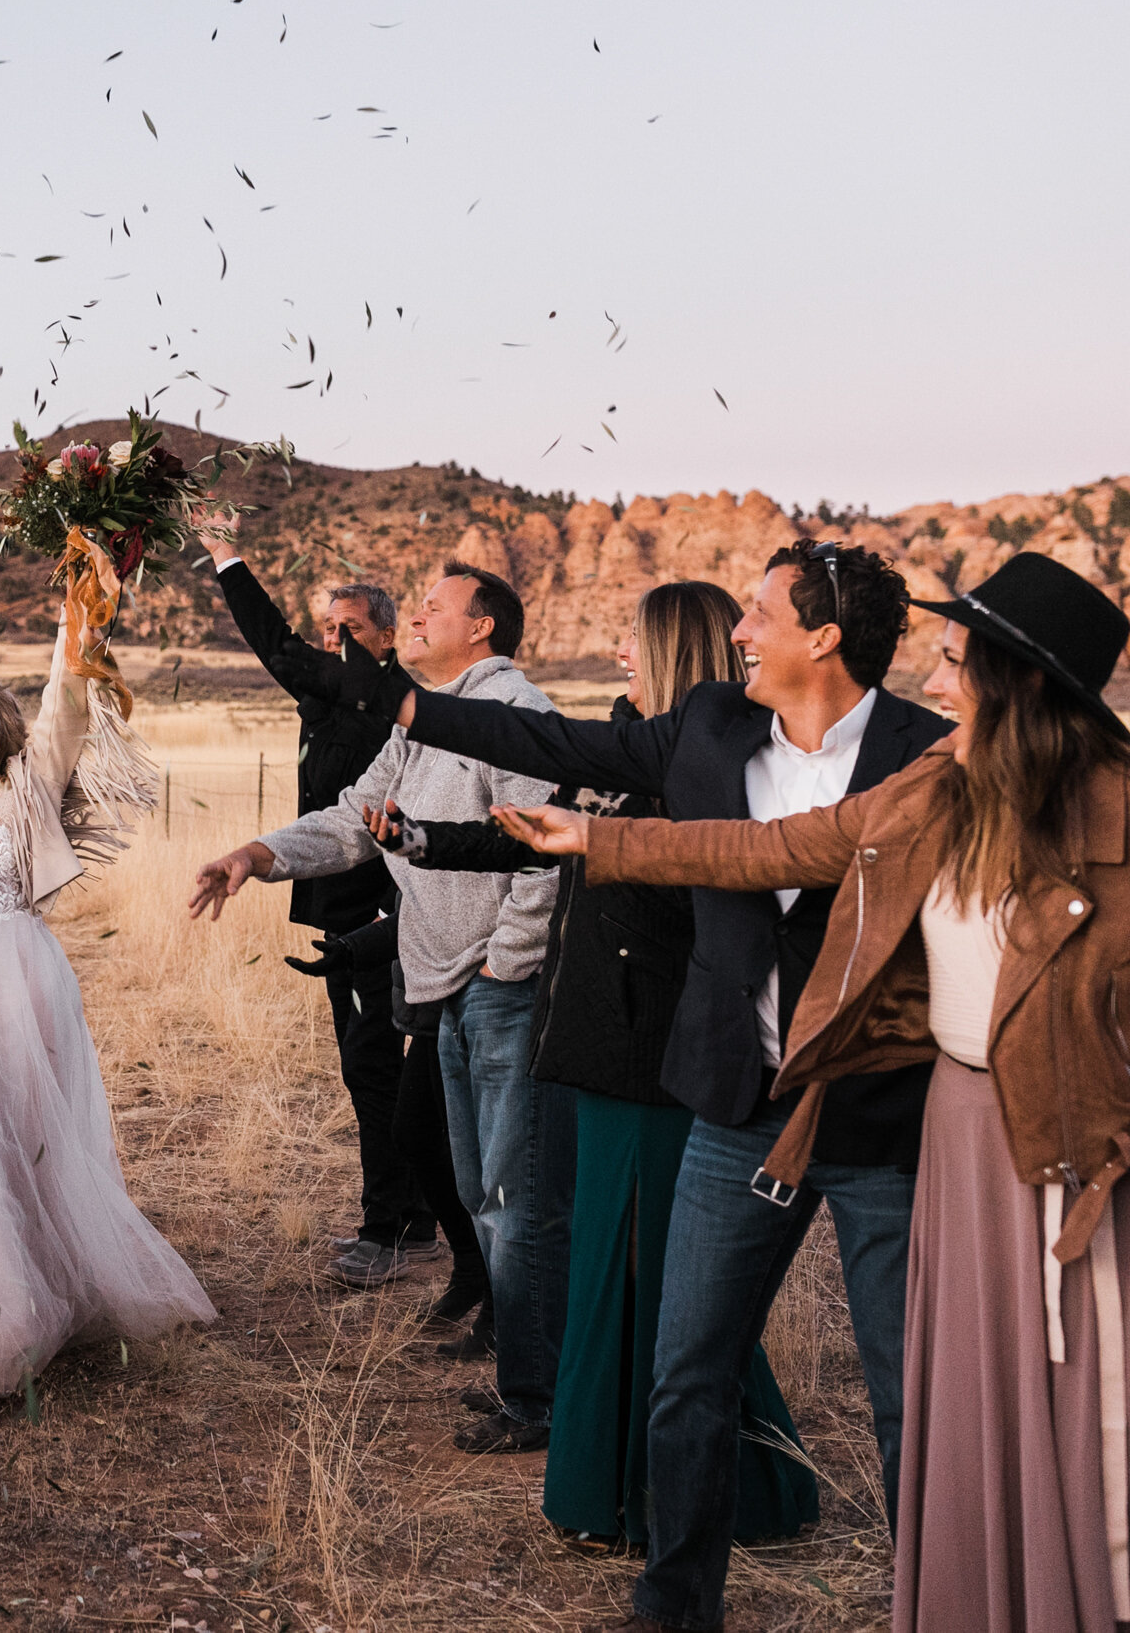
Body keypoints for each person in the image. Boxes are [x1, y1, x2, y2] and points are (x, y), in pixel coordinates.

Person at [497, 552, 1130, 1631]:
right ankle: (696, 1605)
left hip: (995, 1139)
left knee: (951, 1398)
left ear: (1018, 683)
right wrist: (601, 838)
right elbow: (776, 846)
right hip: (854, 1120)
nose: (937, 689)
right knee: (707, 1370)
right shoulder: (940, 786)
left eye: (955, 666)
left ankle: (980, 1595)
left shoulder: (1117, 817)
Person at [389, 541, 948, 1630]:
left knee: (902, 1394)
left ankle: (929, 1598)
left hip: (881, 1117)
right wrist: (411, 706)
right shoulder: (706, 730)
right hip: (733, 1110)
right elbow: (550, 735)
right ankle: (674, 1603)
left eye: (760, 613)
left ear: (824, 637)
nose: (738, 633)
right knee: (685, 1370)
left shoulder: (927, 755)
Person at [368, 582, 818, 1551]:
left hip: (656, 1055)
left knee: (653, 1274)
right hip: (585, 1041)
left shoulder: (707, 770)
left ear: (672, 647)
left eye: (631, 636)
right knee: (602, 1263)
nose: (617, 649)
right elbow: (527, 838)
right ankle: (613, 1483)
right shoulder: (622, 744)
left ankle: (708, 1486)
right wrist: (418, 838)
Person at [192, 562, 568, 1453]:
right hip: (442, 982)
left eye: (436, 605)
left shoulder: (513, 714)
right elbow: (358, 814)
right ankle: (527, 1376)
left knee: (514, 1197)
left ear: (482, 629)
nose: (418, 615)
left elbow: (544, 855)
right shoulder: (427, 722)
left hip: (495, 990)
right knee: (478, 1189)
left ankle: (542, 1399)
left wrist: (502, 970)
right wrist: (258, 853)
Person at [0, 613, 216, 1413]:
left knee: (27, 1148)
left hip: (30, 990)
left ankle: (41, 1294)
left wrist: (78, 611)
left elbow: (63, 706)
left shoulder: (29, 797)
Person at [195, 521, 441, 1289]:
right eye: (330, 627)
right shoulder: (330, 696)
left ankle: (396, 1229)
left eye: (352, 628)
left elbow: (278, 647)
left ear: (390, 637)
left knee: (377, 1069)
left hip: (385, 914)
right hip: (339, 909)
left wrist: (230, 558)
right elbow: (285, 651)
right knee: (366, 1068)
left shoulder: (398, 705)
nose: (336, 640)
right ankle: (408, 1217)